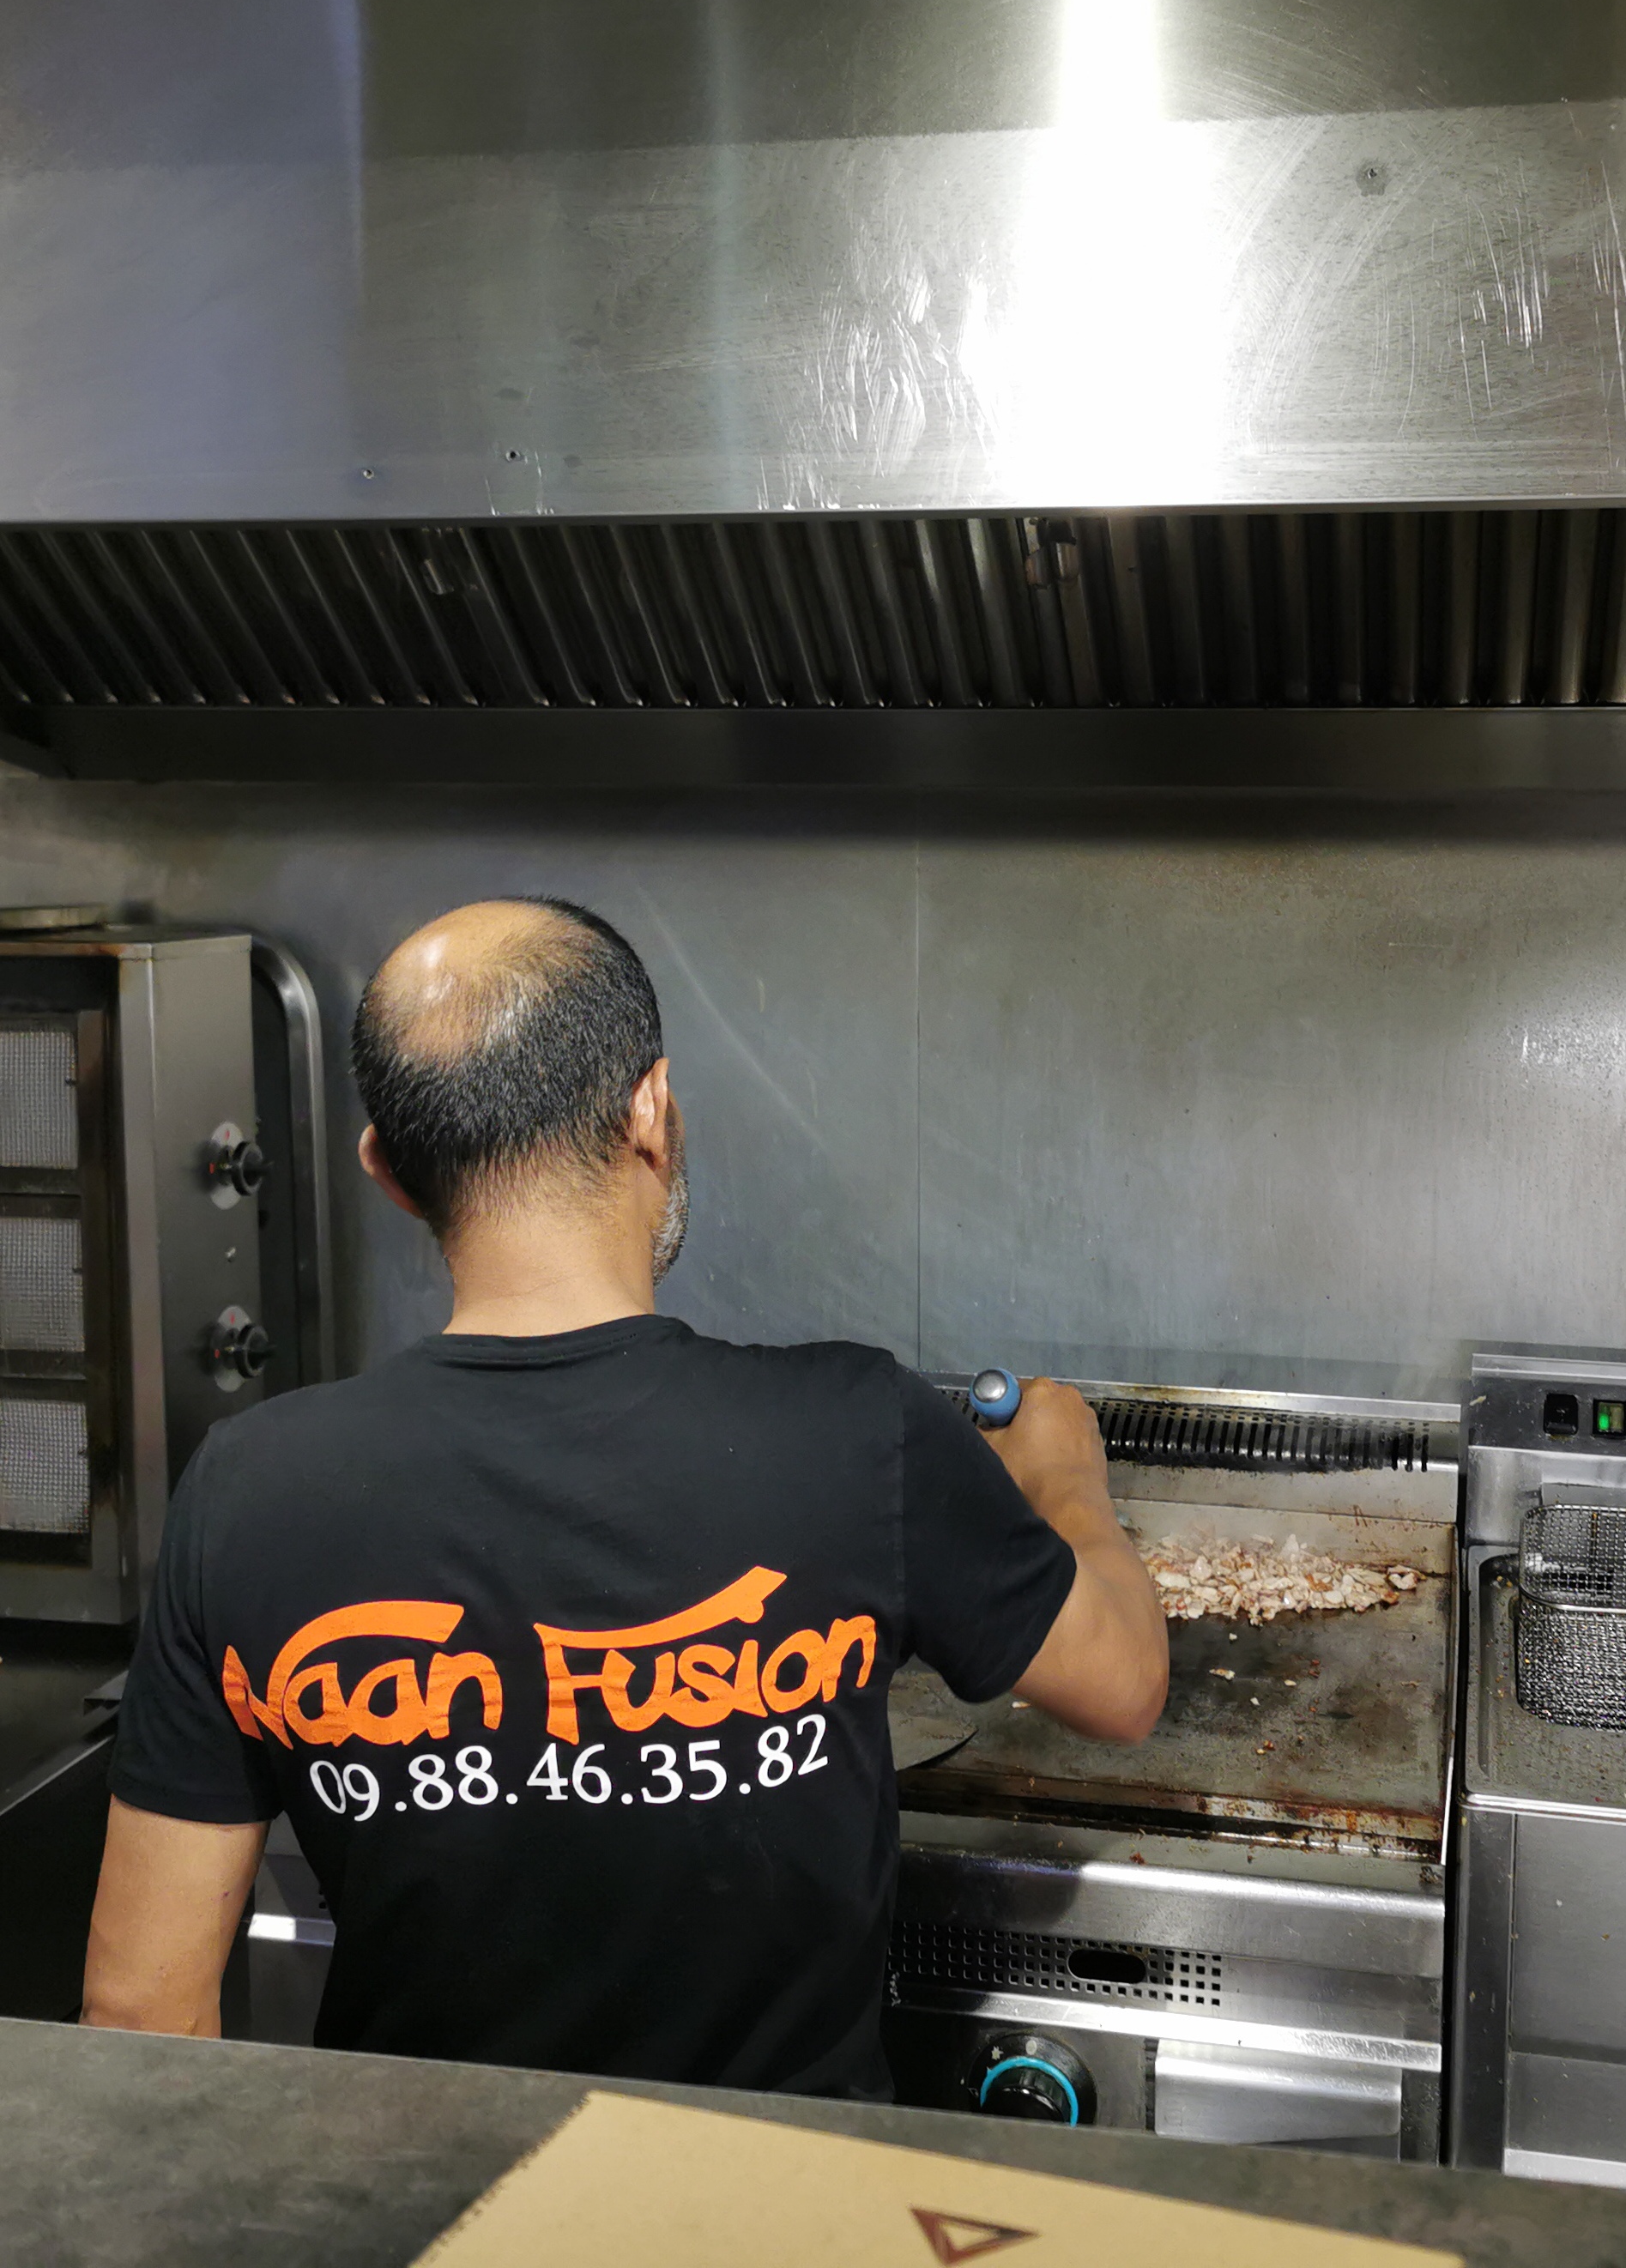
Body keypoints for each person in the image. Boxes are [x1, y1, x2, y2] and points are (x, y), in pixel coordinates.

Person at [82, 896, 1166, 2096]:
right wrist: (1067, 1483)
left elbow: (140, 2010)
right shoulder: (861, 1431)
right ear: (650, 1108)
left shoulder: (249, 1490)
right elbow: (1122, 1686)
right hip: (783, 2193)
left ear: (386, 1170)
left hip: (433, 2192)